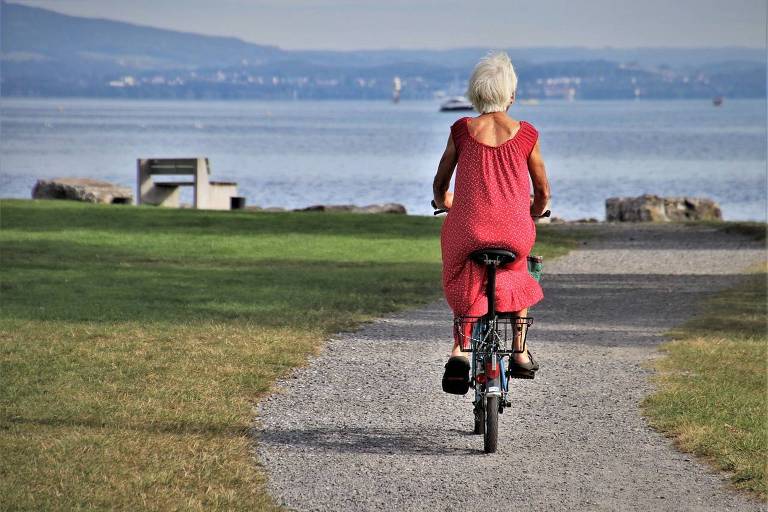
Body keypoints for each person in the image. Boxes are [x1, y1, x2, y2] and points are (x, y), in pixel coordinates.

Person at [432, 51, 551, 394]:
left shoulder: (461, 130)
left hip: (467, 229)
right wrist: (535, 210)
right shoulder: (527, 134)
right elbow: (542, 190)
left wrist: (446, 203)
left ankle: (460, 350)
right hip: (513, 232)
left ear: (475, 94)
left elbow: (441, 185)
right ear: (510, 95)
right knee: (519, 270)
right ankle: (519, 349)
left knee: (462, 268)